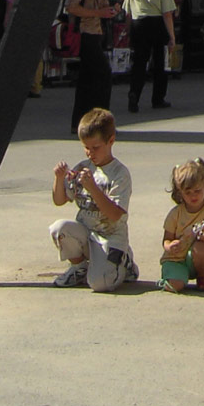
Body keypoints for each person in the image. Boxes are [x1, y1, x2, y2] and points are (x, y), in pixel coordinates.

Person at [49, 106, 138, 291]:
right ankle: (79, 267)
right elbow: (59, 200)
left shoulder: (119, 174)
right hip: (86, 232)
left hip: (110, 237)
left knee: (100, 284)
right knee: (59, 228)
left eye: (95, 148)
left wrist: (93, 188)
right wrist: (58, 178)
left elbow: (115, 215)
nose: (90, 153)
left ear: (110, 141)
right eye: (86, 148)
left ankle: (124, 262)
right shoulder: (83, 167)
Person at [65, 0, 117, 132]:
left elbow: (102, 5)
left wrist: (111, 10)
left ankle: (83, 123)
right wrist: (98, 13)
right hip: (84, 33)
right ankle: (101, 123)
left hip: (97, 33)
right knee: (103, 75)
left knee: (88, 80)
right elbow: (71, 7)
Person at [122, 0, 177, 114]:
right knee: (159, 62)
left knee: (139, 62)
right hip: (156, 23)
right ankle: (158, 98)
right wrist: (172, 36)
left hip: (138, 23)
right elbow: (167, 14)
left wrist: (128, 30)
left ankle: (134, 93)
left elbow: (128, 11)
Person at [160, 158, 204, 293]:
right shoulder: (176, 213)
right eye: (188, 192)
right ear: (180, 192)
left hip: (194, 258)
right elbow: (166, 239)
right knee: (175, 286)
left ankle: (202, 276)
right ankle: (171, 277)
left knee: (202, 247)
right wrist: (170, 246)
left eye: (197, 191)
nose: (193, 196)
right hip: (174, 259)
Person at [4, 0, 42, 96]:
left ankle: (18, 83)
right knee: (35, 51)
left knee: (18, 50)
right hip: (37, 15)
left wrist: (7, 18)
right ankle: (36, 84)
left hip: (20, 15)